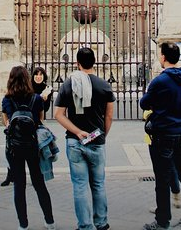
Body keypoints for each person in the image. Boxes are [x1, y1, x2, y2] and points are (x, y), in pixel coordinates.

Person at [54, 47, 115, 230]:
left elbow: (58, 114)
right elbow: (109, 116)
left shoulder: (69, 83)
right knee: (98, 184)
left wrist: (78, 131)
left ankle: (85, 226)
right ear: (94, 62)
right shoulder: (104, 85)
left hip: (75, 141)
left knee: (80, 186)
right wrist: (102, 134)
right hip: (97, 141)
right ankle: (102, 223)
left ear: (77, 63)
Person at [139, 41, 181, 230]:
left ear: (163, 57)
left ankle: (163, 220)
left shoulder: (160, 81)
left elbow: (144, 103)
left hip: (163, 133)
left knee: (162, 179)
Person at [2, 65, 56, 230]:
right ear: (27, 79)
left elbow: (6, 122)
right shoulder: (36, 99)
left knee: (19, 185)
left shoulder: (7, 99)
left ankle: (23, 224)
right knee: (39, 184)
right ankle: (49, 222)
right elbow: (40, 120)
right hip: (33, 145)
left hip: (14, 146)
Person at [1, 66, 53, 187]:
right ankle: (11, 174)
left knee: (23, 182)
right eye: (36, 74)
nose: (38, 77)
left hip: (29, 133)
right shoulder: (27, 90)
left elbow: (44, 112)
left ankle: (35, 176)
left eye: (41, 75)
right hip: (22, 132)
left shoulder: (46, 90)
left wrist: (44, 100)